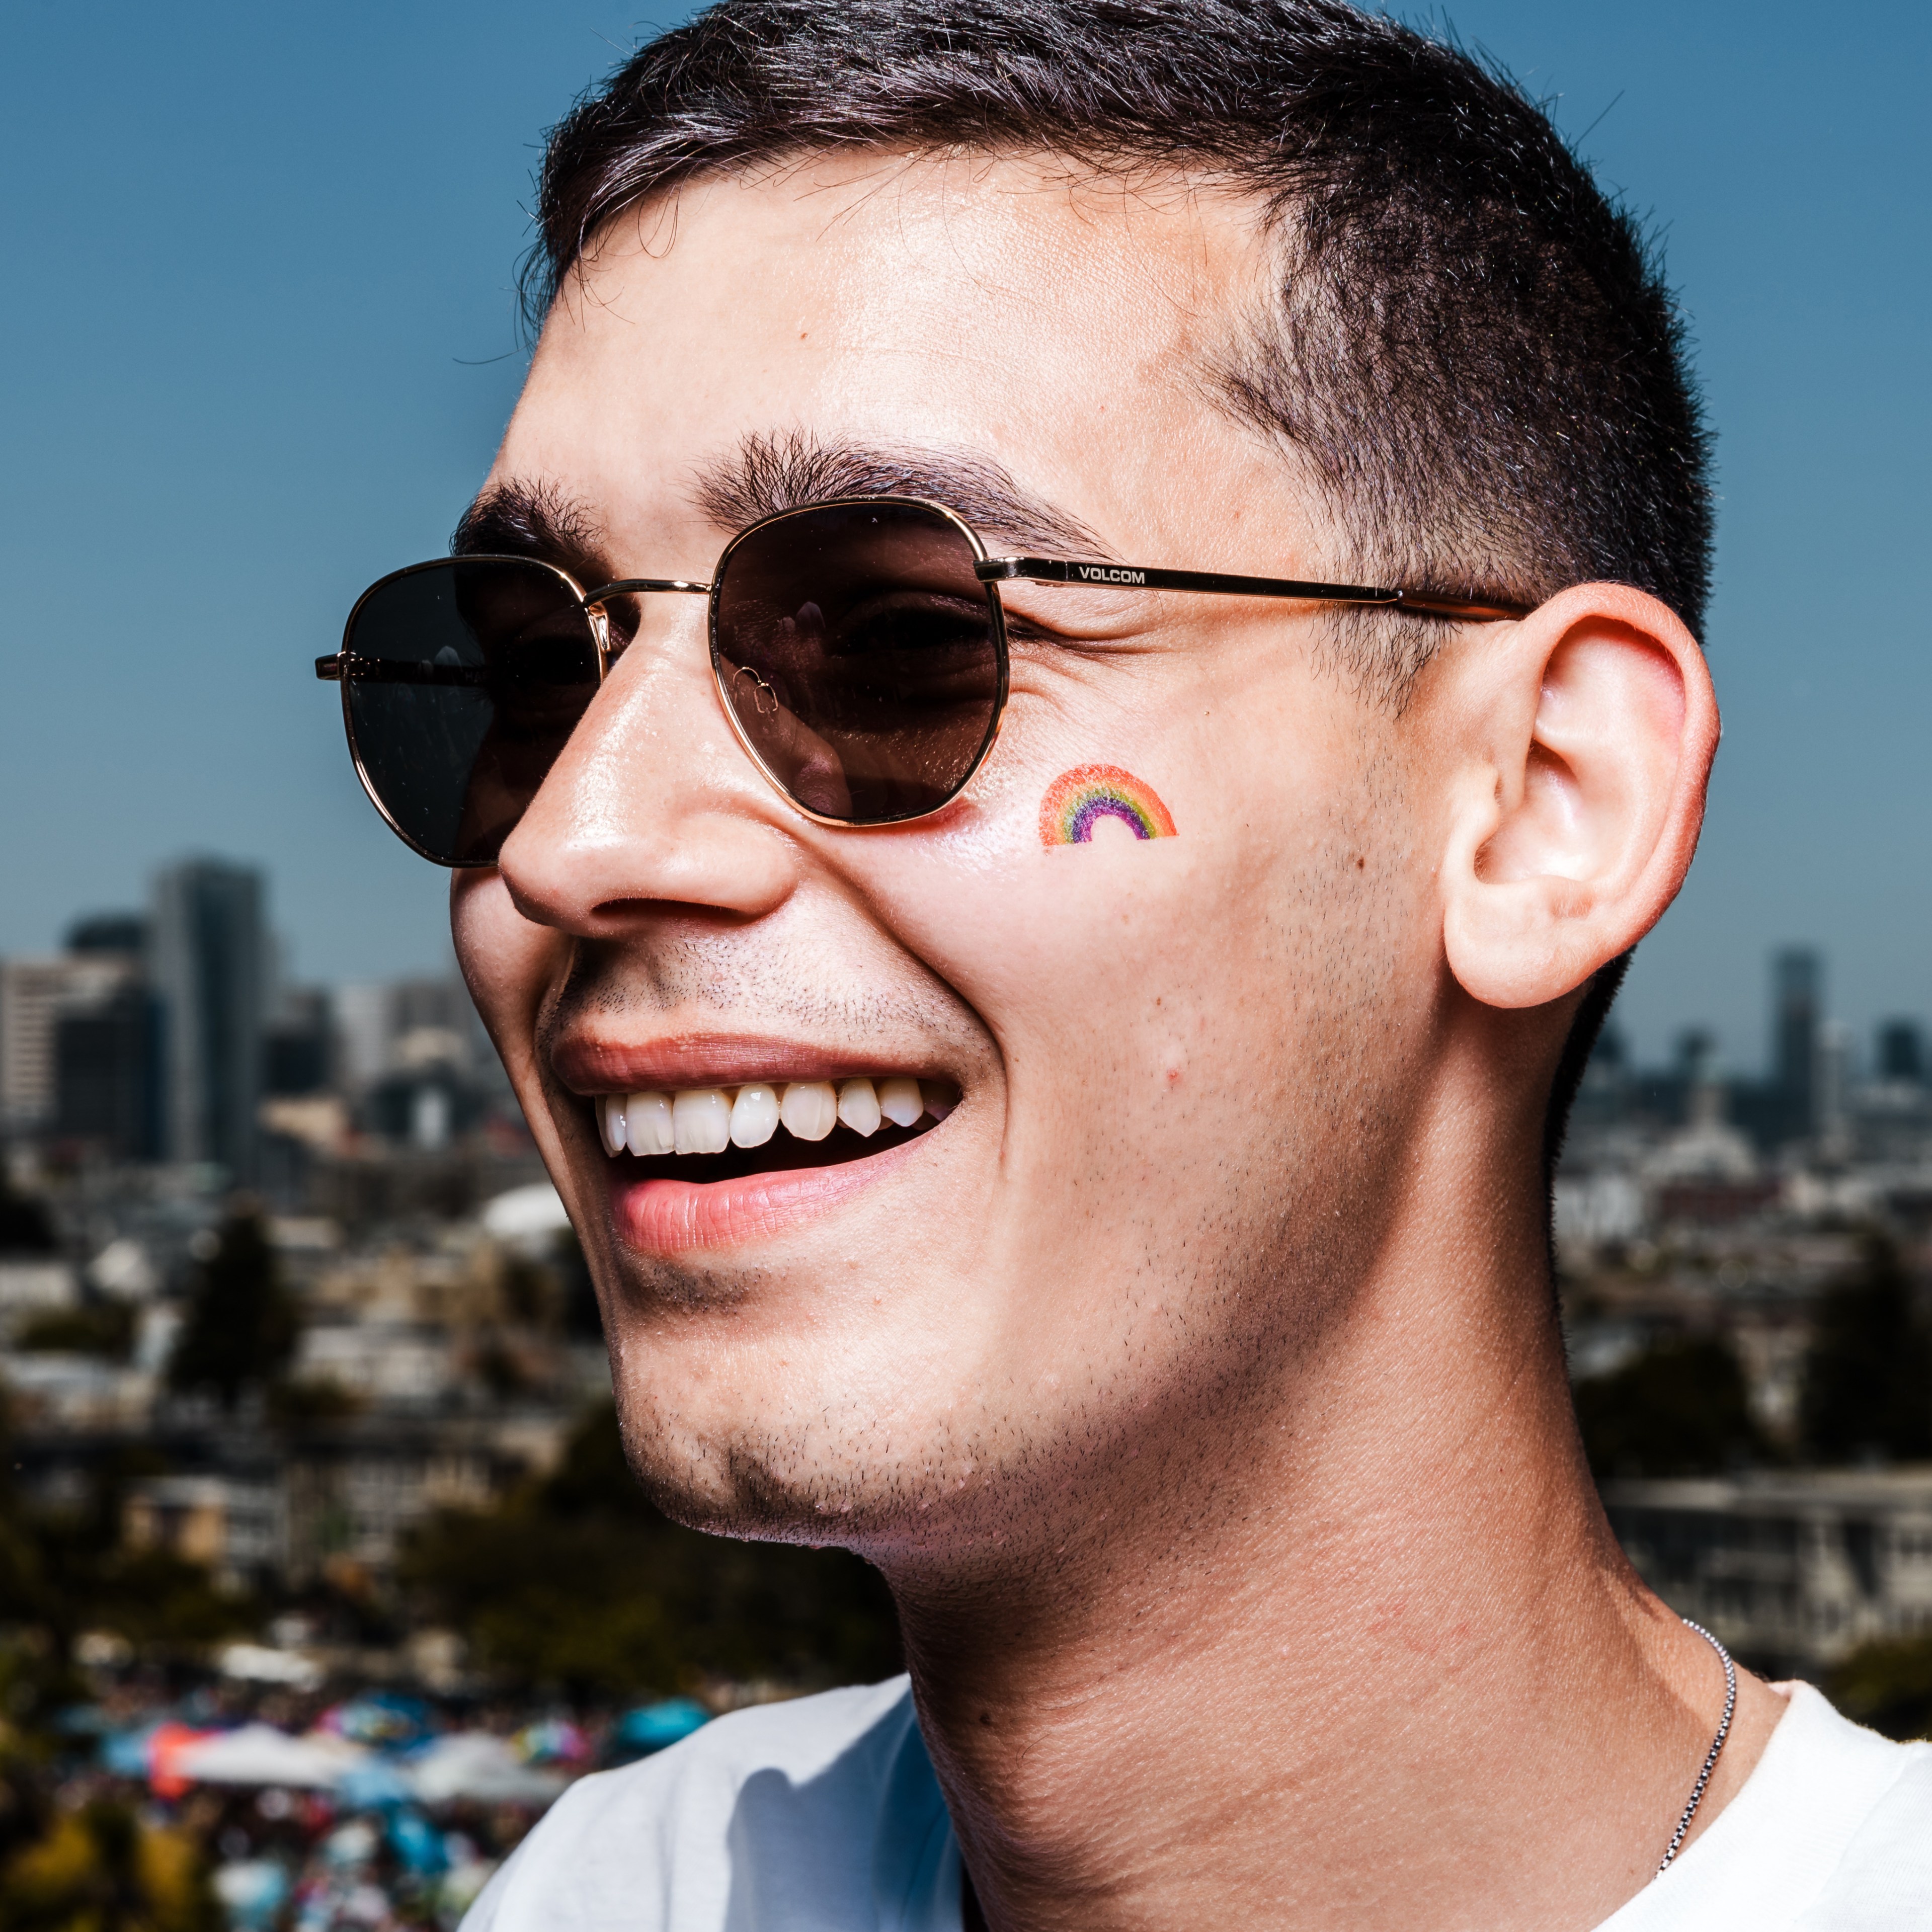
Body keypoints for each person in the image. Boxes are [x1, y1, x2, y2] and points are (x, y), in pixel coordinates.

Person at [317, 3, 1930, 1925]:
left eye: (902, 648)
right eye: (520, 671)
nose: (572, 846)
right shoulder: (630, 1888)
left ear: (1541, 803)